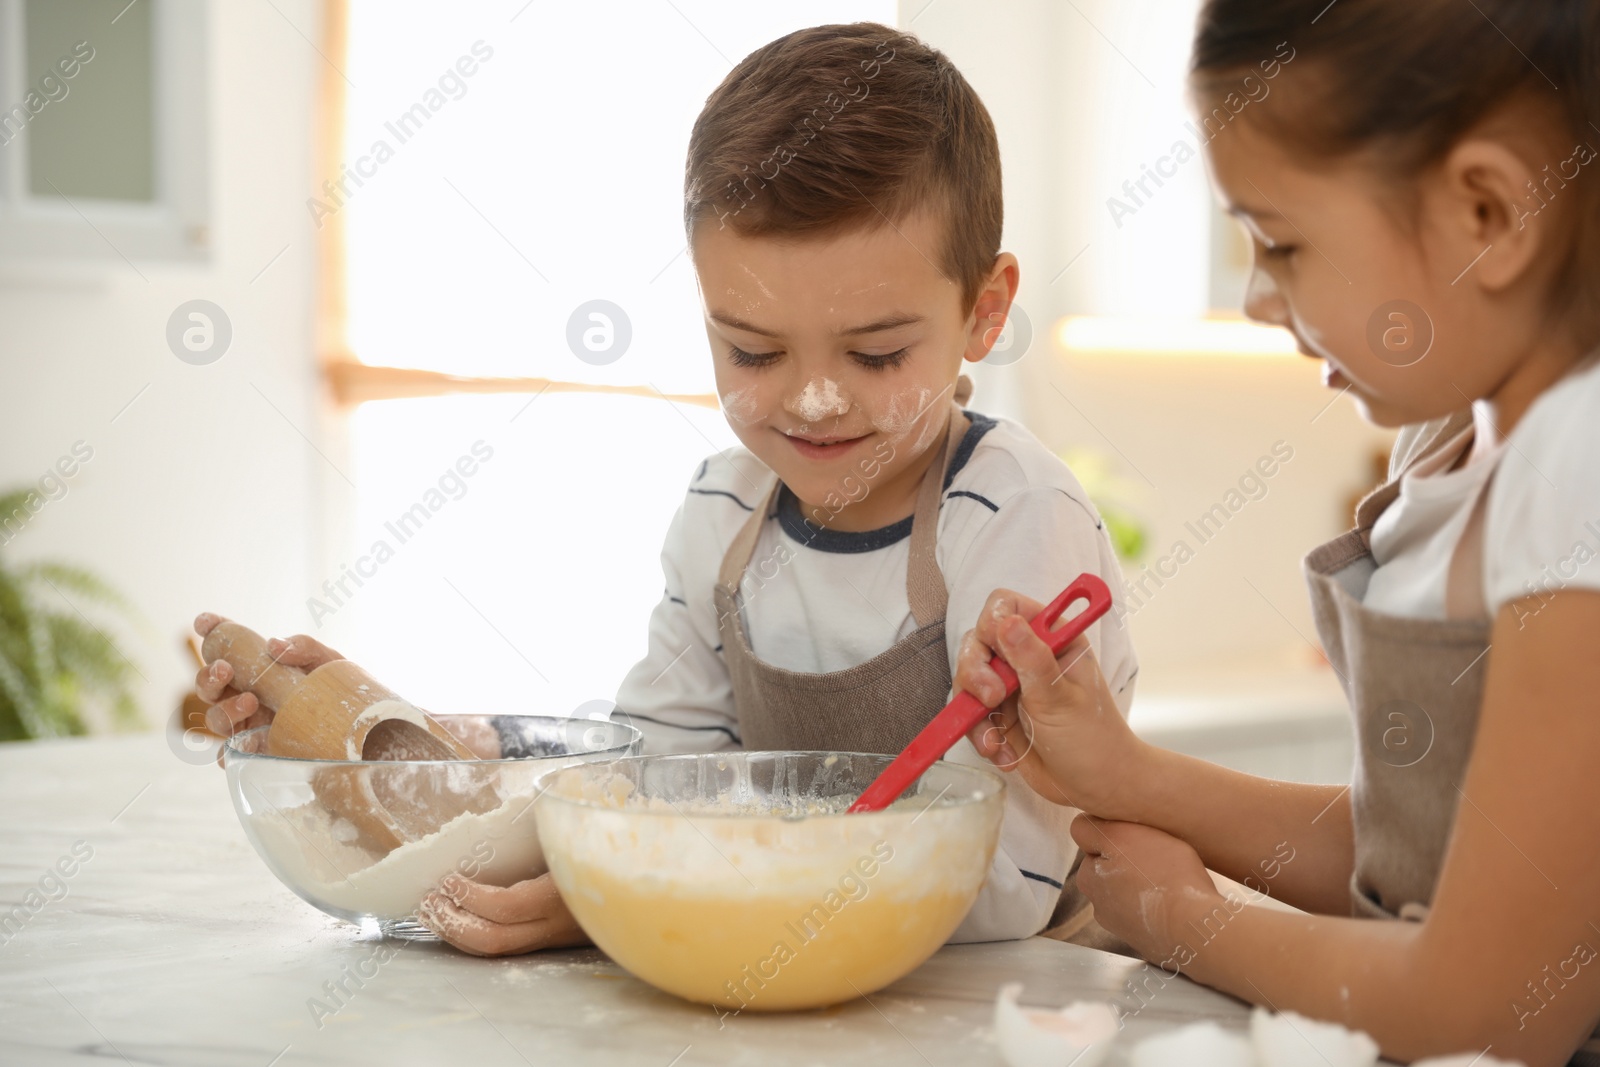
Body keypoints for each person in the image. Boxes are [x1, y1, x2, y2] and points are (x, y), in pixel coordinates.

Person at [196, 23, 1137, 959]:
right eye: (753, 351)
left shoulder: (1013, 518)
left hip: (1012, 995)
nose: (813, 399)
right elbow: (658, 774)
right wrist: (420, 743)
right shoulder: (727, 511)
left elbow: (1007, 883)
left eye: (877, 352)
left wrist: (622, 894)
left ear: (986, 309)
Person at [956, 1, 1600, 1062]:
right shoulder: (1449, 446)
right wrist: (1120, 770)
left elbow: (1489, 1000)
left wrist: (1179, 919)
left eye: (1281, 241)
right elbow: (1414, 852)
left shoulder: (1576, 452)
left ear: (1488, 213)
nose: (1257, 296)